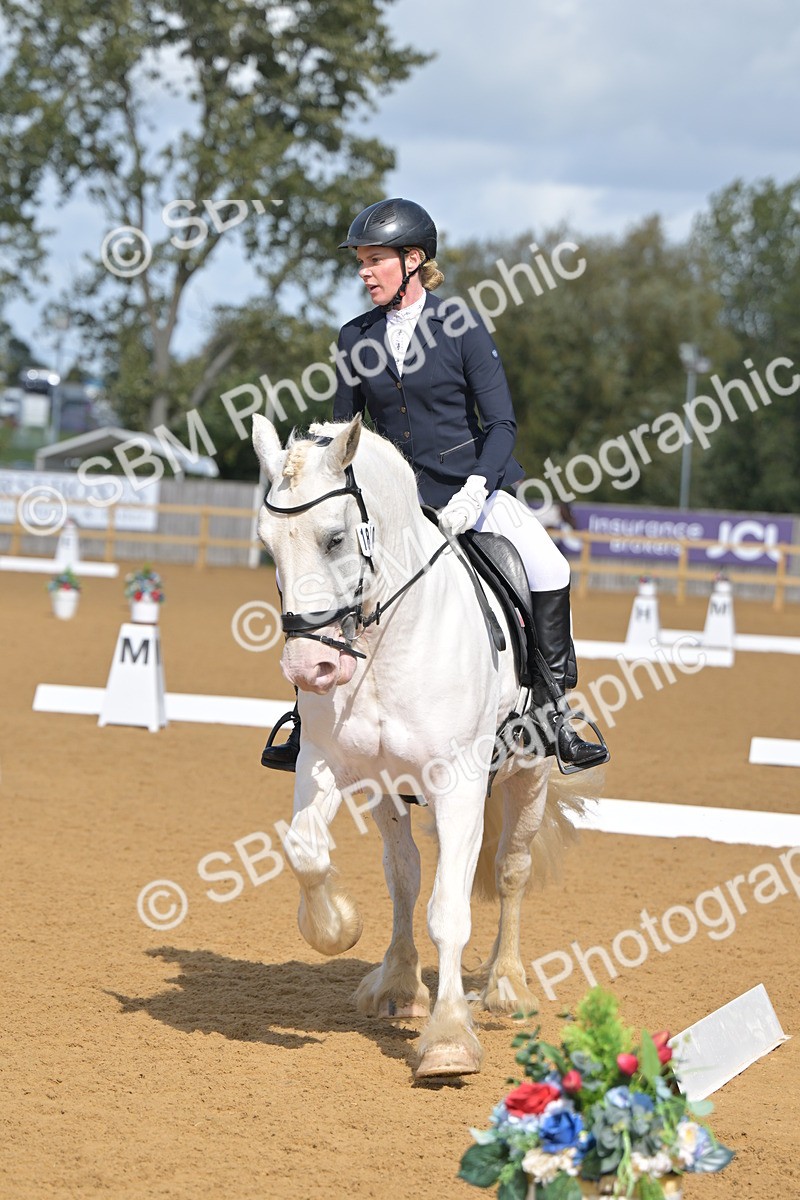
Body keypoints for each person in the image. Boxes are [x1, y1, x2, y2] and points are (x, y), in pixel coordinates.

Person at [261, 198, 609, 773]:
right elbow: (340, 434)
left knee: (550, 568)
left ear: (412, 260)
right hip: (396, 504)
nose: (364, 272)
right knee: (334, 582)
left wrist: (477, 490)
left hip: (471, 488)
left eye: (375, 260)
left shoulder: (461, 326)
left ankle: (553, 712)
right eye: (362, 262)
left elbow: (501, 425)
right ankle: (308, 720)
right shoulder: (354, 337)